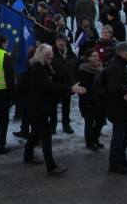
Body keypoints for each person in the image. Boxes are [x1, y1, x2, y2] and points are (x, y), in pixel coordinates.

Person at [24, 43, 85, 175]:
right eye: (48, 55)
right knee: (45, 135)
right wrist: (70, 89)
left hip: (41, 105)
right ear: (42, 55)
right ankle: (51, 167)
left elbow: (59, 76)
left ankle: (28, 155)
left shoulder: (46, 66)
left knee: (35, 131)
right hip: (37, 106)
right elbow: (48, 85)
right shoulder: (37, 68)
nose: (51, 57)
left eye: (51, 54)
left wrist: (70, 85)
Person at [104, 42, 127, 174]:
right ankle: (114, 163)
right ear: (122, 53)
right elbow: (113, 88)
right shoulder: (115, 67)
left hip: (123, 106)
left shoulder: (120, 64)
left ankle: (121, 157)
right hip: (117, 107)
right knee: (119, 134)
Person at [77, 48, 106, 151]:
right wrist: (87, 100)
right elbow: (84, 87)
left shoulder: (100, 68)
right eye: (93, 56)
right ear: (88, 58)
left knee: (100, 121)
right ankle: (89, 142)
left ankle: (95, 139)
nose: (96, 58)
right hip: (88, 100)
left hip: (100, 100)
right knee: (89, 122)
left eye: (97, 56)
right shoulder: (84, 69)